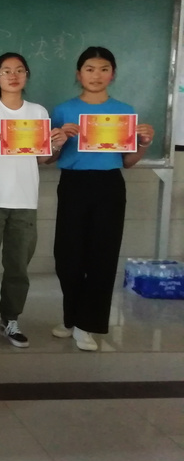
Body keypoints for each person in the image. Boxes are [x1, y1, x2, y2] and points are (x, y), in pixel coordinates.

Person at [48, 46, 154, 351]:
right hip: (73, 184)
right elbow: (48, 158)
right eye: (90, 69)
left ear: (113, 74)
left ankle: (87, 325)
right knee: (67, 257)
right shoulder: (63, 110)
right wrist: (58, 140)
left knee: (102, 256)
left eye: (104, 69)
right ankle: (72, 317)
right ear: (78, 74)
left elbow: (128, 161)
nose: (97, 75)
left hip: (109, 185)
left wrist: (144, 144)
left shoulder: (124, 111)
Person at [0, 53, 66, 349]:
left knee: (18, 267)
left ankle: (10, 319)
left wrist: (57, 146)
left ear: (26, 75)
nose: (13, 75)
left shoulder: (38, 112)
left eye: (19, 70)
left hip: (25, 200)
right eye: (6, 71)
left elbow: (44, 159)